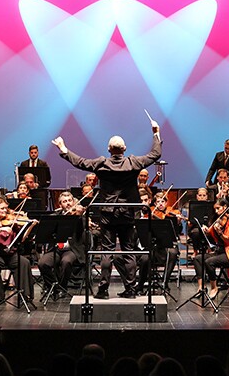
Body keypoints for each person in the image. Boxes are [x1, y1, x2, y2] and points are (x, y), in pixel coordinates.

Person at [52, 114, 161, 299]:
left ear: (109, 149)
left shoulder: (102, 164)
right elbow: (155, 154)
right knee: (128, 251)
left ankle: (103, 290)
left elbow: (80, 162)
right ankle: (131, 289)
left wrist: (63, 148)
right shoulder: (133, 163)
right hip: (127, 213)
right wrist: (156, 133)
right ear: (124, 149)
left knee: (106, 252)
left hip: (108, 214)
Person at [38, 191, 88, 300]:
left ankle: (63, 287)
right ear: (60, 205)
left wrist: (79, 216)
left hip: (72, 250)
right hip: (56, 249)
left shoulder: (80, 217)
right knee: (43, 263)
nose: (68, 203)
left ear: (74, 202)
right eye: (65, 201)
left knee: (66, 262)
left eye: (70, 200)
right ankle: (54, 287)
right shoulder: (55, 216)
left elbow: (82, 228)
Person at [0, 196, 34, 304]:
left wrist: (31, 226)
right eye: (2, 208)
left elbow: (22, 238)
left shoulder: (12, 223)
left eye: (6, 208)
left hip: (10, 254)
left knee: (24, 262)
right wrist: (0, 229)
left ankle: (25, 294)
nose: (5, 211)